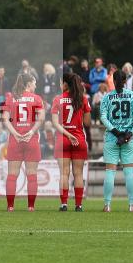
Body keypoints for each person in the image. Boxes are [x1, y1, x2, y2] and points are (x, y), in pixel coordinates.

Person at [100, 70, 133, 212]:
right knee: (129, 172)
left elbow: (103, 117)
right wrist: (130, 133)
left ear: (112, 80)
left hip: (112, 138)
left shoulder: (107, 97)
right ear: (125, 81)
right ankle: (131, 205)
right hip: (128, 138)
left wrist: (115, 131)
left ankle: (107, 205)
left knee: (110, 171)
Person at [3, 72, 44, 211]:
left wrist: (15, 133)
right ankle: (31, 206)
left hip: (15, 140)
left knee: (12, 175)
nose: (35, 85)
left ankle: (10, 206)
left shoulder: (11, 98)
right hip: (31, 139)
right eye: (34, 82)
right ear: (28, 84)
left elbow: (5, 119)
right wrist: (31, 132)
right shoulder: (37, 99)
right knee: (32, 174)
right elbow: (41, 119)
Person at [51, 74, 90, 211]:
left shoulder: (58, 99)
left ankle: (64, 204)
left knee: (64, 173)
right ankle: (78, 205)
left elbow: (55, 124)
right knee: (78, 173)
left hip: (63, 140)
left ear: (66, 84)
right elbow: (87, 123)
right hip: (78, 138)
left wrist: (67, 134)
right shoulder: (83, 99)